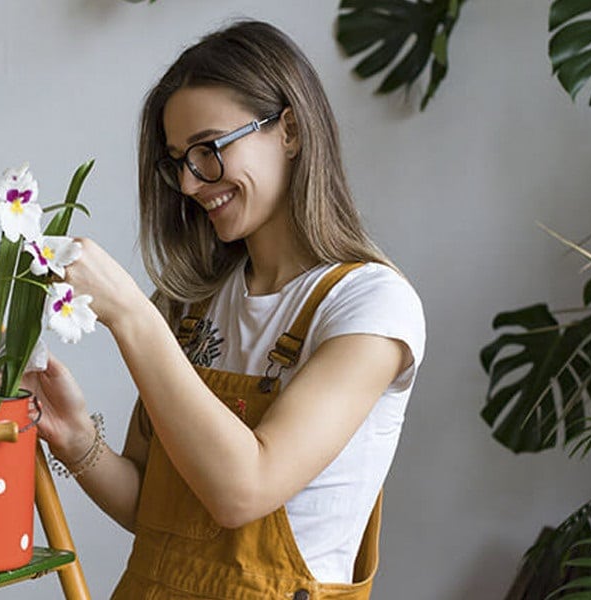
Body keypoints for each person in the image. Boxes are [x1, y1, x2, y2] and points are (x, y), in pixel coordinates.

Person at [26, 19, 425, 600]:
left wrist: (131, 317)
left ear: (289, 130)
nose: (189, 184)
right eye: (178, 160)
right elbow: (153, 509)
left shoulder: (371, 306)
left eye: (208, 150)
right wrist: (75, 438)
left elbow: (243, 490)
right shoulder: (196, 302)